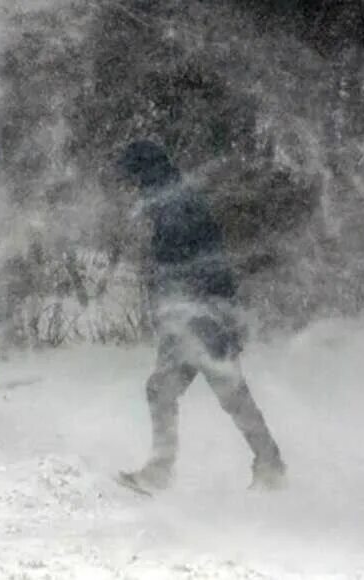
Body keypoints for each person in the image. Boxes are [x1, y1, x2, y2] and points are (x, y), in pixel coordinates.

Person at [115, 140, 286, 492]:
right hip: (200, 313)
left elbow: (188, 266)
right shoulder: (173, 200)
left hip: (199, 316)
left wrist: (185, 309)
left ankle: (165, 471)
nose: (130, 188)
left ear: (143, 173)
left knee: (203, 391)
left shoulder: (174, 206)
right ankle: (267, 463)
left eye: (132, 178)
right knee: (202, 391)